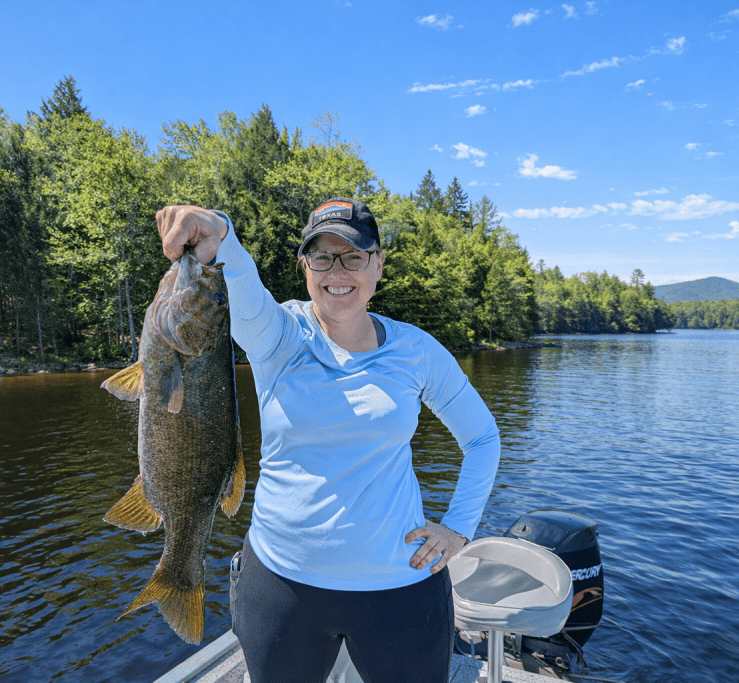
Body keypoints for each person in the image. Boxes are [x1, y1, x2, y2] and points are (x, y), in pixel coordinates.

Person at [156, 198, 500, 683]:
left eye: (353, 256)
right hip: (280, 586)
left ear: (378, 264)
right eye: (322, 256)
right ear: (304, 267)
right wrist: (221, 236)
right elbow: (244, 286)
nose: (337, 271)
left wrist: (459, 527)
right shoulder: (277, 334)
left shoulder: (417, 350)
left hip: (399, 588)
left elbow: (483, 438)